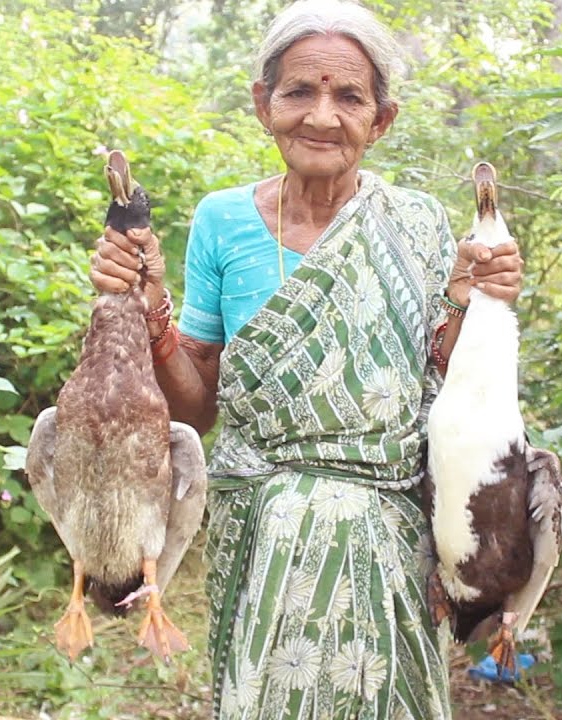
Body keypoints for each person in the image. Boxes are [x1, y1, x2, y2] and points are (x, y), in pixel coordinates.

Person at [90, 1, 523, 716]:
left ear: (380, 120)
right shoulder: (222, 219)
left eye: (349, 95)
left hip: (388, 541)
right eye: (300, 91)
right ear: (264, 105)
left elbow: (439, 390)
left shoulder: (413, 222)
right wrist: (152, 319)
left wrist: (474, 307)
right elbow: (197, 407)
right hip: (263, 537)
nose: (322, 116)